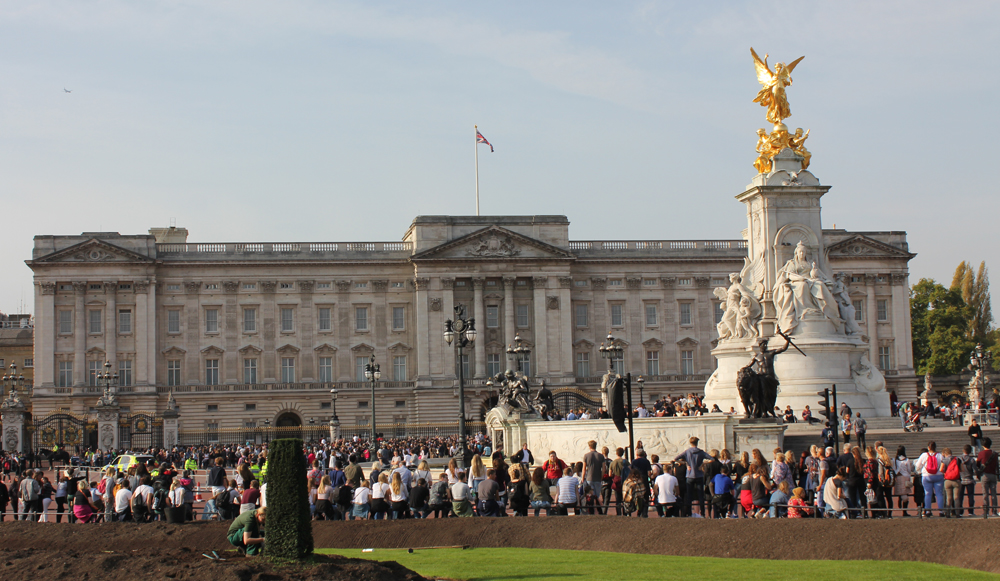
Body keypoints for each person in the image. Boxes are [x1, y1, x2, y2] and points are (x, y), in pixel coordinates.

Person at [673, 437, 712, 517]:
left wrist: (685, 463)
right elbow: (712, 459)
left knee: (689, 495)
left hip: (689, 475)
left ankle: (689, 512)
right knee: (701, 495)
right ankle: (703, 513)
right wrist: (703, 464)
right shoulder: (701, 452)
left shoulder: (687, 451)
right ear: (697, 443)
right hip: (699, 475)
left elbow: (675, 459)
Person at [913, 441, 945, 517]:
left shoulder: (924, 455)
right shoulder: (940, 455)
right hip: (938, 476)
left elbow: (917, 466)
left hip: (927, 476)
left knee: (927, 493)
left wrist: (921, 470)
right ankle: (941, 511)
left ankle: (928, 511)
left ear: (928, 447)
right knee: (939, 494)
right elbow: (943, 465)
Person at [582, 441, 605, 516]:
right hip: (598, 478)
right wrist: (601, 477)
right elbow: (603, 469)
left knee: (590, 496)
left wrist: (583, 478)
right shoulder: (601, 456)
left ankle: (591, 511)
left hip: (589, 477)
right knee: (597, 496)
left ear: (589, 447)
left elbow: (584, 468)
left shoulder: (586, 455)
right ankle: (598, 511)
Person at [976, 437, 999, 517]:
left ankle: (986, 511)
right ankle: (994, 511)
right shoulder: (995, 453)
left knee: (985, 494)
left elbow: (978, 464)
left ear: (982, 444)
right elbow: (997, 465)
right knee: (994, 494)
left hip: (985, 475)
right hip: (993, 475)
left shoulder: (981, 453)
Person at [892, 446, 914, 517]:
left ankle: (899, 500)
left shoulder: (894, 460)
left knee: (900, 493)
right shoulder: (907, 460)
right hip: (905, 477)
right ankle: (904, 511)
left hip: (898, 477)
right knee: (905, 495)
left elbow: (894, 469)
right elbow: (909, 470)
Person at [957, 445, 977, 517]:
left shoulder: (958, 458)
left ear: (963, 450)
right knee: (971, 496)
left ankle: (960, 511)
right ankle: (971, 511)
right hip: (969, 479)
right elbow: (975, 470)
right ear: (970, 451)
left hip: (961, 479)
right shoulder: (971, 460)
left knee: (960, 496)